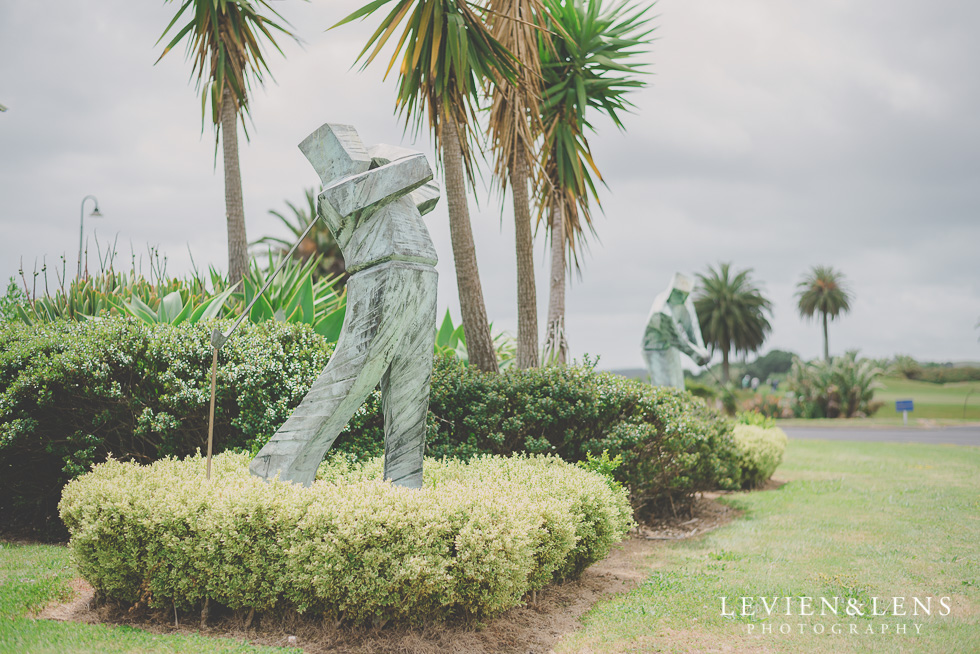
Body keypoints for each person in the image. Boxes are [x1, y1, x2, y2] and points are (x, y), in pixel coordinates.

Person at [250, 124, 439, 489]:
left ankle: (405, 484)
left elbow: (430, 190)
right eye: (345, 143)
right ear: (329, 156)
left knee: (412, 388)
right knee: (349, 382)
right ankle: (273, 465)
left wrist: (380, 160)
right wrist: (384, 154)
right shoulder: (338, 194)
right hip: (379, 279)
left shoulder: (385, 187)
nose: (354, 147)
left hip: (421, 275)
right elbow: (418, 168)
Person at [641, 273, 711, 389]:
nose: (683, 298)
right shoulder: (662, 311)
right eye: (679, 294)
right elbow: (677, 339)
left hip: (669, 347)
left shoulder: (686, 302)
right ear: (672, 291)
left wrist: (702, 349)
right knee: (663, 386)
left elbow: (692, 328)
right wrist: (697, 355)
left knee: (678, 387)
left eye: (685, 294)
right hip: (653, 349)